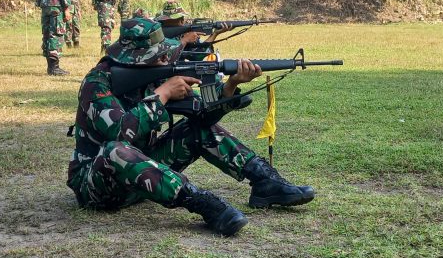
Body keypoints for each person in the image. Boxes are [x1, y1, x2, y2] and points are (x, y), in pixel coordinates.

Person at [67, 18, 316, 236]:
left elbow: (203, 117)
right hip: (98, 187)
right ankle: (203, 204)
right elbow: (120, 131)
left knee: (196, 128)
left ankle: (265, 181)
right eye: (158, 56)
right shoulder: (98, 83)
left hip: (144, 180)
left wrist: (230, 87)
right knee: (115, 149)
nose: (166, 59)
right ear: (134, 59)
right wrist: (163, 94)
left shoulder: (155, 74)